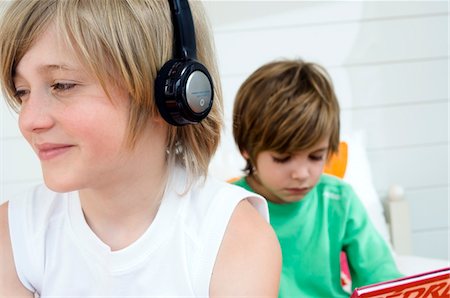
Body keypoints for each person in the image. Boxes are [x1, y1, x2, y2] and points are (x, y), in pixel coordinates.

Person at [0, 0, 281, 296]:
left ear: (171, 94)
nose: (29, 120)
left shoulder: (233, 239)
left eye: (62, 85)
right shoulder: (16, 235)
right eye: (23, 92)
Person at [232, 59, 403, 297]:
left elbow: (381, 276)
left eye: (315, 156)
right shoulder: (231, 207)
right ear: (247, 150)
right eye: (283, 158)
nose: (301, 174)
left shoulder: (338, 200)